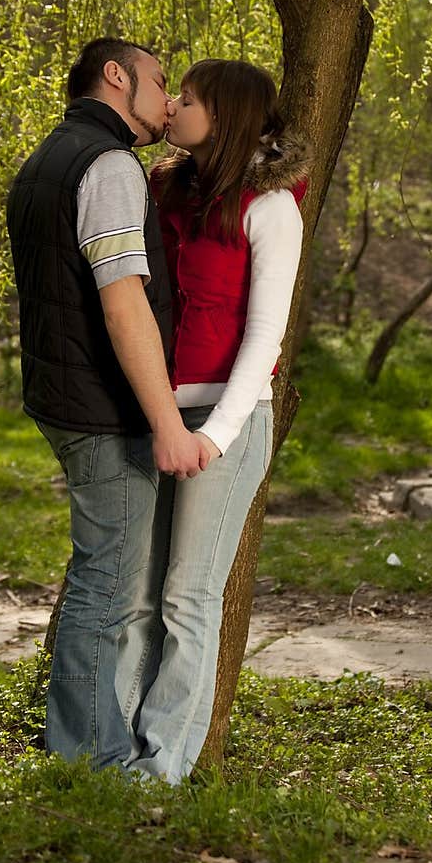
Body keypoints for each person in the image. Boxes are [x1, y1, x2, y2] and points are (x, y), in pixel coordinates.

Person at [5, 36, 212, 772]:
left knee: (105, 582)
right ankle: (90, 764)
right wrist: (165, 424)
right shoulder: (109, 165)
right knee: (108, 590)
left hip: (62, 398)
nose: (166, 100)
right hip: (102, 410)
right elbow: (124, 305)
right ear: (116, 77)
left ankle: (89, 751)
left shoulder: (49, 157)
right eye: (159, 81)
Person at [125, 57, 310, 785]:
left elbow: (265, 339)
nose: (173, 105)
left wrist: (215, 436)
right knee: (136, 591)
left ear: (225, 116)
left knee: (188, 594)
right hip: (159, 411)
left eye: (190, 98)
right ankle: (111, 751)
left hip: (226, 421)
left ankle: (161, 766)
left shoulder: (272, 207)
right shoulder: (165, 189)